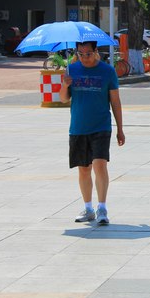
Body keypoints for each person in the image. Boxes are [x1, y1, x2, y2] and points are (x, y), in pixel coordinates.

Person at [60, 41, 125, 225]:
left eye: (88, 54)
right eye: (80, 54)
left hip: (101, 126)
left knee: (100, 165)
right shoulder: (71, 70)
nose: (84, 58)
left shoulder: (107, 71)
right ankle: (88, 208)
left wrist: (120, 129)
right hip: (78, 127)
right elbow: (63, 99)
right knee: (84, 169)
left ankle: (102, 208)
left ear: (96, 51)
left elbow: (115, 101)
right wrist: (64, 85)